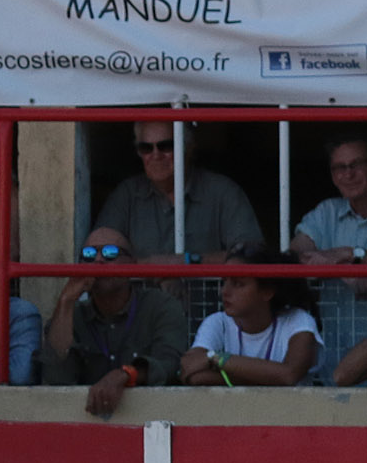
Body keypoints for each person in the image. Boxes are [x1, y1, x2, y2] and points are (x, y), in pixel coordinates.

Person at [41, 229, 189, 416]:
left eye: (111, 253)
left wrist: (125, 375)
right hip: (86, 424)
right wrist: (66, 301)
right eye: (89, 255)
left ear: (132, 265)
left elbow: (170, 364)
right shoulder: (73, 314)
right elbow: (55, 377)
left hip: (156, 420)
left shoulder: (161, 306)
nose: (99, 261)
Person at [94, 120, 262, 266]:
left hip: (211, 302)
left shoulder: (223, 192)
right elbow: (98, 254)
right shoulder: (126, 195)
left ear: (188, 148)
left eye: (166, 146)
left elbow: (252, 255)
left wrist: (188, 261)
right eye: (146, 148)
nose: (156, 155)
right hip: (144, 303)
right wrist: (150, 267)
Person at [179, 246, 320, 387]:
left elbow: (289, 375)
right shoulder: (217, 322)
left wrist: (217, 358)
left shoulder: (298, 321)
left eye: (238, 284)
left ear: (267, 291)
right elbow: (192, 373)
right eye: (224, 281)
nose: (224, 291)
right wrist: (268, 378)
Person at [290, 132, 367, 380]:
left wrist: (348, 254)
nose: (348, 174)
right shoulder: (327, 212)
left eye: (356, 164)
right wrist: (342, 262)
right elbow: (292, 257)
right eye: (339, 168)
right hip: (332, 361)